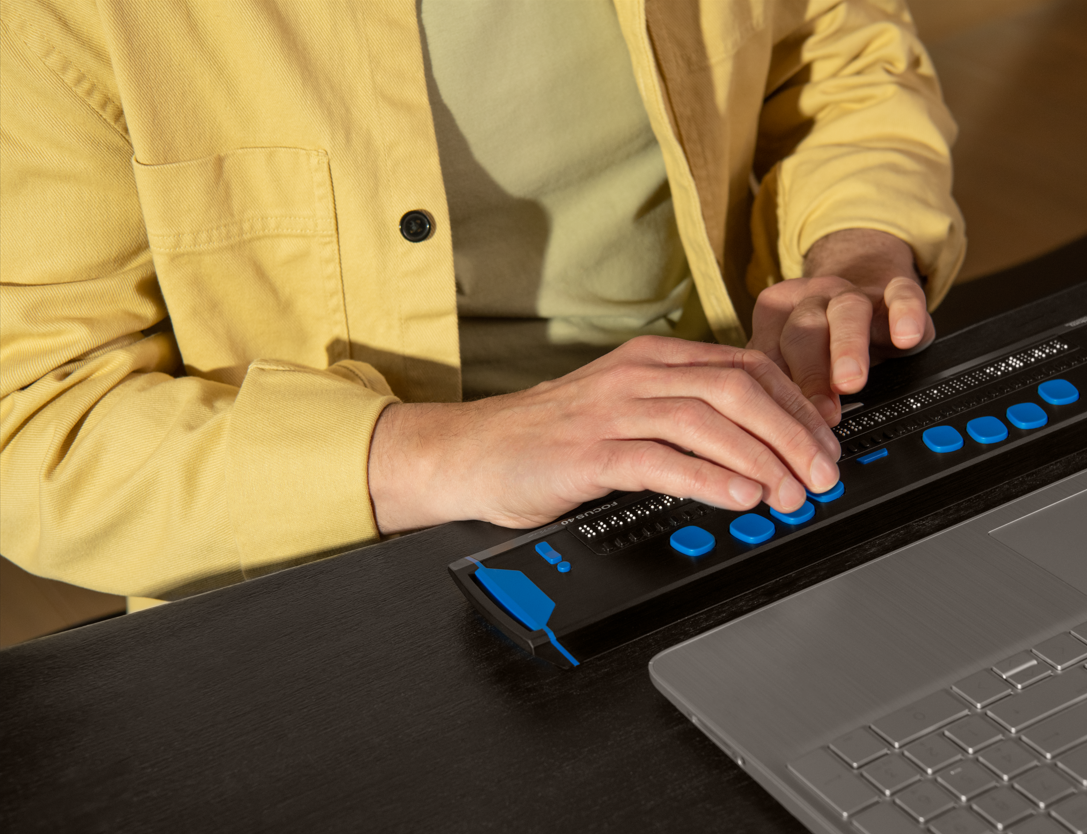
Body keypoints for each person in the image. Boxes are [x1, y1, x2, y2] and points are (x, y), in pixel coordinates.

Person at [0, 0, 964, 601]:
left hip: (753, 430)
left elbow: (840, 55)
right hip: (341, 554)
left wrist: (856, 240)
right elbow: (35, 428)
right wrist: (447, 450)